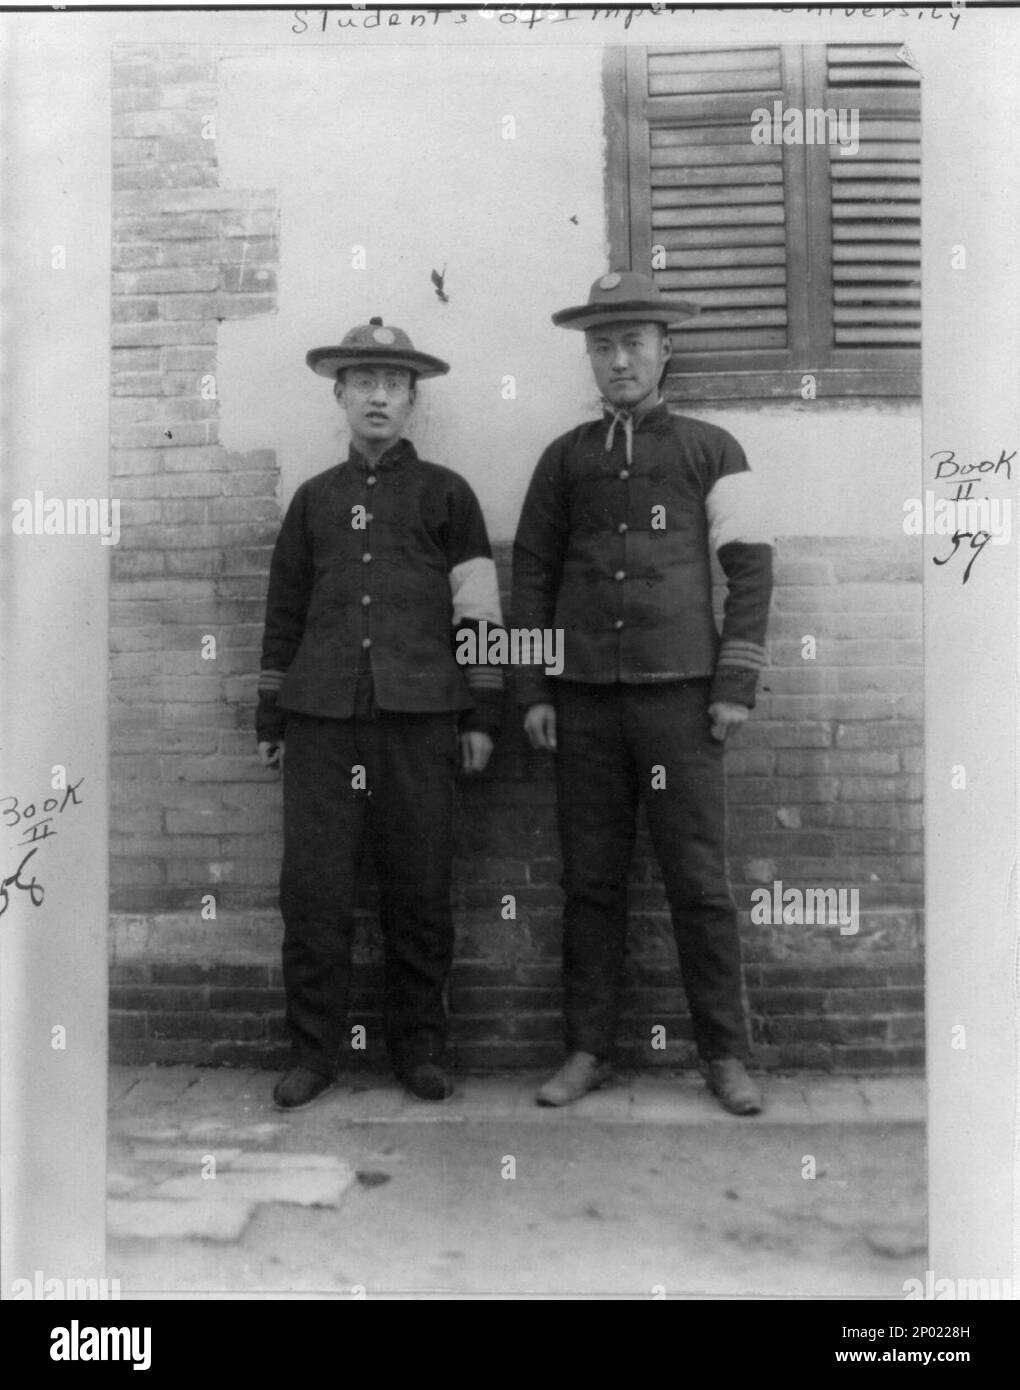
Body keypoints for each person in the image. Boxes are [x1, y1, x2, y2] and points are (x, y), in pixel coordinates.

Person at [511, 271, 773, 1115]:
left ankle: (726, 1059)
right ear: (588, 357)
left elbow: (752, 571)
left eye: (633, 343)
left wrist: (734, 682)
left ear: (666, 349)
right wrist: (533, 691)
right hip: (584, 703)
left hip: (682, 701)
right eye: (602, 345)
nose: (617, 359)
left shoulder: (713, 449)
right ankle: (587, 1050)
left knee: (698, 882)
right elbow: (533, 577)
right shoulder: (564, 461)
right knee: (590, 882)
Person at [257, 318, 503, 1108]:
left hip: (420, 720)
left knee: (419, 889)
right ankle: (314, 1054)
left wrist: (479, 717)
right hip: (323, 723)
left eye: (393, 384)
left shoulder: (448, 495)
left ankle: (420, 1051)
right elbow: (283, 613)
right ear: (339, 394)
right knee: (315, 893)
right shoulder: (313, 500)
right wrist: (272, 719)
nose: (377, 396)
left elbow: (481, 615)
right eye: (362, 381)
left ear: (411, 401)